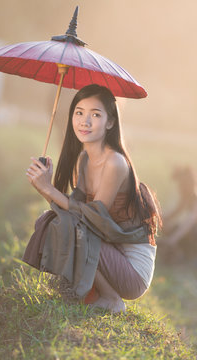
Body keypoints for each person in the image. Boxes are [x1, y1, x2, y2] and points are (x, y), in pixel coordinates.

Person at [25, 84, 162, 313]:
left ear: (110, 122)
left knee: (76, 227)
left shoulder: (115, 162)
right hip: (109, 253)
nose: (84, 121)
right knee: (50, 220)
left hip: (132, 272)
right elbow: (73, 210)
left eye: (95, 114)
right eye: (79, 112)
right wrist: (47, 181)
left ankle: (111, 299)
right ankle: (87, 289)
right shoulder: (84, 159)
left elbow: (93, 219)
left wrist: (48, 190)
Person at [161, 165, 197, 261]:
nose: (179, 188)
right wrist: (158, 217)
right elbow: (175, 212)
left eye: (181, 185)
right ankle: (183, 252)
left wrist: (173, 239)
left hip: (194, 233)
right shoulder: (187, 197)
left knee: (189, 230)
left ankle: (189, 254)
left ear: (188, 184)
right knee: (168, 225)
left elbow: (190, 221)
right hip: (191, 232)